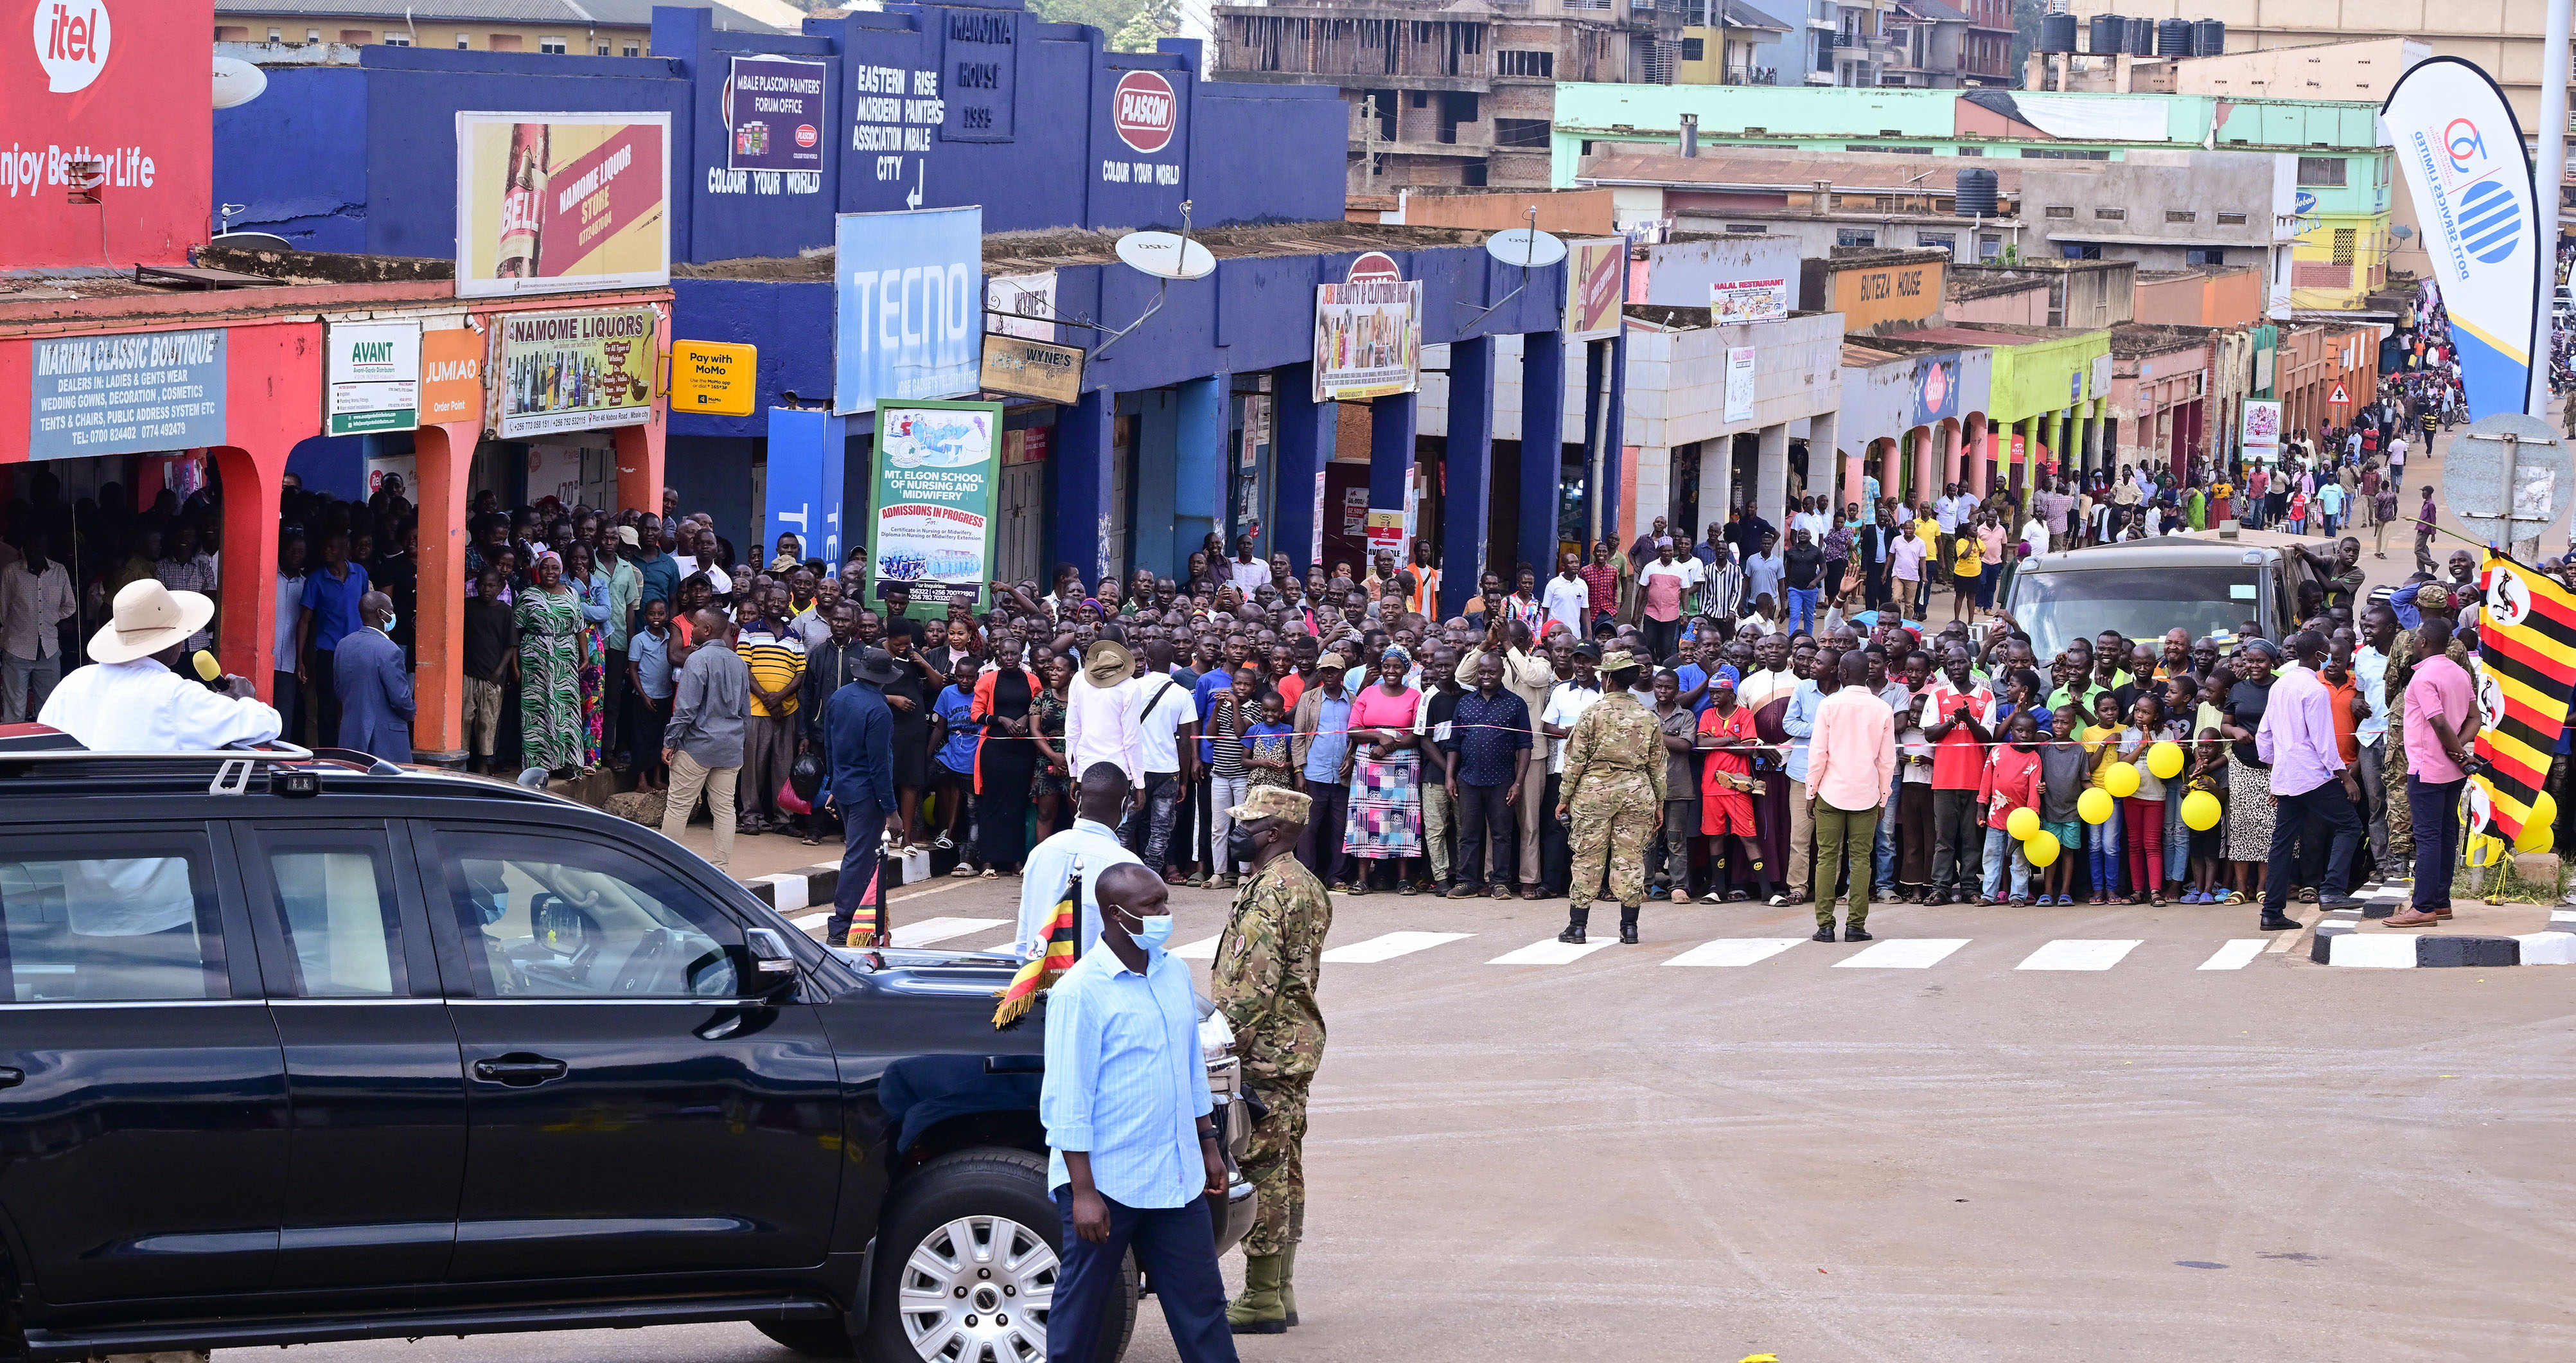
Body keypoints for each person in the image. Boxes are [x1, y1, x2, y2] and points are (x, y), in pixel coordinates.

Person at [1039, 862, 1240, 1363]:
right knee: (1084, 1310)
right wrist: (1083, 1192)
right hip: (1107, 1183)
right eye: (1153, 906)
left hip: (1177, 1176)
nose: (1165, 913)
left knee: (1203, 1307)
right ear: (1115, 914)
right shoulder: (1080, 992)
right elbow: (1067, 1098)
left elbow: (1190, 1066)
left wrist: (1208, 1143)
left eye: (1165, 901)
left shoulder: (1172, 971)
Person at [1211, 787, 1330, 1335]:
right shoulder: (1306, 884)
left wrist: (1220, 1051)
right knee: (1286, 1167)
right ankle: (1278, 1289)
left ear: (1275, 832)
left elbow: (1248, 989)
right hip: (1295, 1046)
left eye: (1249, 823)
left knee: (1261, 1168)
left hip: (1264, 1052)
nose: (1239, 830)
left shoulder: (1268, 894)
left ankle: (1261, 1296)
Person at [41, 580, 282, 751]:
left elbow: (39, 741)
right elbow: (268, 723)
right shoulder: (175, 695)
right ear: (172, 641)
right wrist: (244, 698)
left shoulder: (74, 681)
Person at [2254, 630, 2367, 929]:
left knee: (2282, 843)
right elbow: (2323, 742)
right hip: (2312, 775)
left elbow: (2263, 734)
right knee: (2350, 825)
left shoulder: (2280, 686)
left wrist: (2277, 771)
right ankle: (2330, 891)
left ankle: (2272, 913)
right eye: (2327, 653)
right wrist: (2346, 778)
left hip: (2288, 775)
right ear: (2319, 655)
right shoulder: (2315, 691)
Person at [1554, 650, 1664, 945]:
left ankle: (1577, 927)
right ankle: (1629, 928)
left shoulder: (1593, 713)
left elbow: (1575, 760)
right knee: (1630, 858)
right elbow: (1657, 765)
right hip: (1637, 792)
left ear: (1608, 679)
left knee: (1588, 856)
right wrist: (1659, 804)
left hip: (1594, 793)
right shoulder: (1648, 716)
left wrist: (1564, 797)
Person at [2387, 614, 2477, 927]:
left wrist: (2453, 750)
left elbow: (2438, 722)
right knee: (2445, 836)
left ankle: (2423, 907)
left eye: (2416, 638)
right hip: (2453, 772)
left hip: (2427, 769)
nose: (2413, 642)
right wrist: (2460, 753)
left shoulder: (2423, 678)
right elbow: (2474, 719)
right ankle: (2440, 903)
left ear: (2424, 642)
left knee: (2427, 839)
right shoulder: (2460, 673)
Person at [1804, 650, 1894, 942]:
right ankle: (1856, 926)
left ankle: (1825, 927)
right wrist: (1883, 798)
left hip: (1830, 792)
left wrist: (1811, 790)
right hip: (1867, 793)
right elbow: (1887, 761)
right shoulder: (1882, 708)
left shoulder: (1829, 705)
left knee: (1827, 858)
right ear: (1867, 673)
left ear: (1841, 673)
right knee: (1862, 860)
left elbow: (1818, 754)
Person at [1017, 762, 1145, 956]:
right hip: (1100, 982)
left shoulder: (1040, 853)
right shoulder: (1128, 866)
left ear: (1077, 798)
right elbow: (1139, 943)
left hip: (1041, 979)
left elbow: (1024, 935)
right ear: (1124, 805)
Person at [821, 646, 903, 947]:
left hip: (843, 787)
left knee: (859, 857)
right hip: (866, 794)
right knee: (859, 858)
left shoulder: (839, 697)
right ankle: (843, 924)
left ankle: (861, 921)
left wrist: (832, 784)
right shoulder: (879, 710)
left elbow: (829, 745)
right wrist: (891, 810)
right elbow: (879, 765)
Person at [661, 608, 749, 872]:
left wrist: (670, 741)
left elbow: (686, 709)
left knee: (678, 808)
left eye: (696, 626)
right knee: (724, 809)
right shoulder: (739, 662)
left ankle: (665, 866)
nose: (692, 630)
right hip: (730, 747)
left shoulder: (697, 660)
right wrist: (738, 741)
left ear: (707, 631)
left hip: (696, 747)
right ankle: (720, 868)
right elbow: (746, 712)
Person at [1442, 652, 1532, 899]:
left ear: (1501, 673)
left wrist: (1519, 782)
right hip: (1468, 778)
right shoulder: (1465, 702)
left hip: (1502, 780)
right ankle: (1467, 882)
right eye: (1482, 672)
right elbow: (1454, 743)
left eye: (1491, 672)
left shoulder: (1516, 703)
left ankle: (1500, 883)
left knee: (1502, 834)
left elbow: (1525, 745)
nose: (1486, 677)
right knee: (1469, 833)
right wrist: (1450, 777)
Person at [1341, 647, 1425, 893]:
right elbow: (1354, 730)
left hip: (1403, 764)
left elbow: (1419, 735)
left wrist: (1388, 745)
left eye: (1397, 667)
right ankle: (1362, 880)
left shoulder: (1414, 697)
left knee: (1402, 820)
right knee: (1365, 820)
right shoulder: (1367, 693)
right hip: (1370, 763)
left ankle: (1403, 879)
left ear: (1406, 669)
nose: (1391, 671)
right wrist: (1379, 736)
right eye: (1387, 666)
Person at [515, 552, 595, 774]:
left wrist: (585, 655)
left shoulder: (571, 593)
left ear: (562, 570)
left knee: (565, 709)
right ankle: (538, 765)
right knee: (537, 709)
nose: (550, 572)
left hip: (565, 658)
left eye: (554, 568)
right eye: (545, 568)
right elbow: (515, 632)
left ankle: (567, 762)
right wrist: (515, 666)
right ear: (538, 570)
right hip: (535, 659)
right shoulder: (529, 595)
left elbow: (579, 626)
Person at [1289, 652, 1356, 889]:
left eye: (1334, 671)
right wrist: (1298, 770)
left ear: (1342, 673)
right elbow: (1297, 738)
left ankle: (1336, 876)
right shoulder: (1309, 699)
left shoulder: (1354, 699)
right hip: (1313, 773)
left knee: (1340, 828)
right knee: (1308, 828)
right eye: (1325, 670)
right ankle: (1307, 875)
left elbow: (1357, 737)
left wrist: (1353, 758)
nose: (1329, 675)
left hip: (1343, 774)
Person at [1, 530, 76, 724]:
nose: (34, 550)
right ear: (24, 548)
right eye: (30, 546)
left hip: (49, 650)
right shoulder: (12, 571)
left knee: (49, 707)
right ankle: (14, 751)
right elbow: (2, 611)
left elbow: (70, 606)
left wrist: (50, 617)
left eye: (39, 546)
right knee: (14, 709)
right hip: (17, 647)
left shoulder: (59, 572)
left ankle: (45, 751)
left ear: (46, 548)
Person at [332, 591, 414, 763]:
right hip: (385, 741)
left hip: (350, 738)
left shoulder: (343, 645)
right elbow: (400, 699)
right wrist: (412, 712)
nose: (393, 615)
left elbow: (339, 691)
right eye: (390, 611)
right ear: (380, 613)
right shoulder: (390, 650)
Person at [1066, 637, 1145, 794]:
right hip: (1119, 770)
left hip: (1086, 768)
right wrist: (1139, 784)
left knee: (1087, 818)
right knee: (1117, 819)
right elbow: (1132, 739)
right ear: (1124, 649)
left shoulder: (1078, 679)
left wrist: (1074, 774)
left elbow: (1072, 732)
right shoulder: (1130, 686)